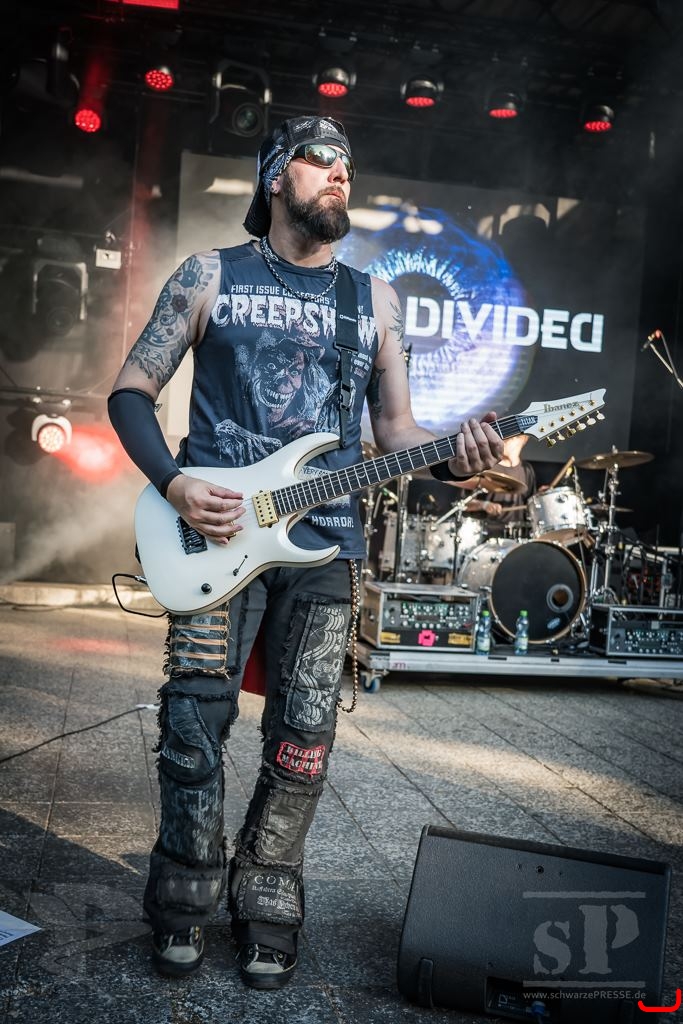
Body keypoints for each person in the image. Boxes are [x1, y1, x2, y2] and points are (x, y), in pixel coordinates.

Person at [107, 115, 503, 989]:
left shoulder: (375, 301)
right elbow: (131, 392)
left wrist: (459, 454)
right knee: (192, 723)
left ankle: (268, 894)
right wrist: (174, 483)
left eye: (347, 165)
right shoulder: (210, 275)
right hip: (214, 531)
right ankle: (184, 892)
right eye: (319, 161)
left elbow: (396, 431)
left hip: (325, 548)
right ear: (274, 177)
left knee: (304, 738)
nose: (339, 174)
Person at [457, 432, 537, 538]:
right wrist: (484, 505)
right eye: (503, 436)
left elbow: (531, 505)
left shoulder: (527, 469)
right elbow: (462, 504)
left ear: (524, 439)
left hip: (517, 536)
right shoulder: (483, 466)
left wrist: (543, 497)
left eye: (512, 437)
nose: (505, 440)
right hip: (484, 536)